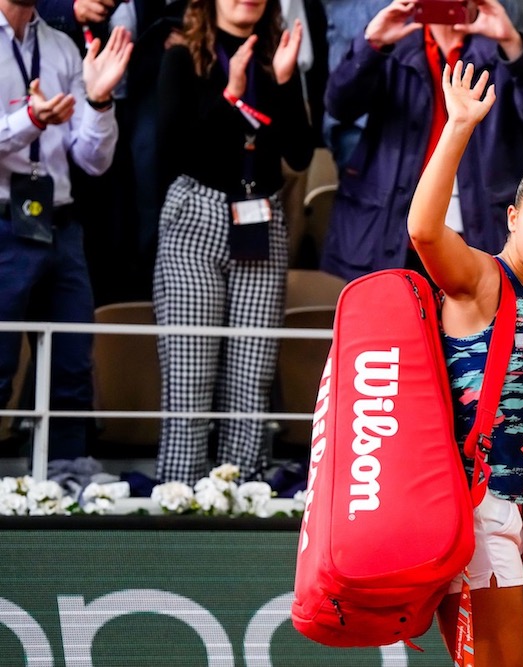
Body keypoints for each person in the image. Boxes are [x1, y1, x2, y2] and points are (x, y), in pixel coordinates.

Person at [408, 59, 523, 667]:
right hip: (472, 506)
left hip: (509, 504)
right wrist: (458, 126)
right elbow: (424, 231)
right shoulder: (483, 278)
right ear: (512, 218)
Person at [154, 0, 313, 484]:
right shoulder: (182, 54)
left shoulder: (278, 55)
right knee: (190, 372)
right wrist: (232, 96)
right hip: (196, 213)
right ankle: (179, 494)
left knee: (252, 375)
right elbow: (171, 150)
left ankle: (241, 496)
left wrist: (284, 84)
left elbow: (300, 154)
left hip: (260, 215)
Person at [320, 0, 523, 281]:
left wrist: (512, 44)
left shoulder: (500, 44)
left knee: (478, 322)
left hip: (478, 233)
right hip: (391, 231)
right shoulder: (396, 41)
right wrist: (371, 44)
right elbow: (340, 106)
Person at [0, 0, 131, 462]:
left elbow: (93, 160)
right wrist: (31, 120)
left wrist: (98, 101)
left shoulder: (60, 46)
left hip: (60, 221)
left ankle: (65, 487)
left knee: (72, 367)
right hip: (2, 223)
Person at [36, 0, 187, 306]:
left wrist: (189, 32)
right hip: (66, 99)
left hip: (146, 94)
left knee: (148, 208)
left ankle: (137, 313)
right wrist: (70, 9)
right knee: (92, 216)